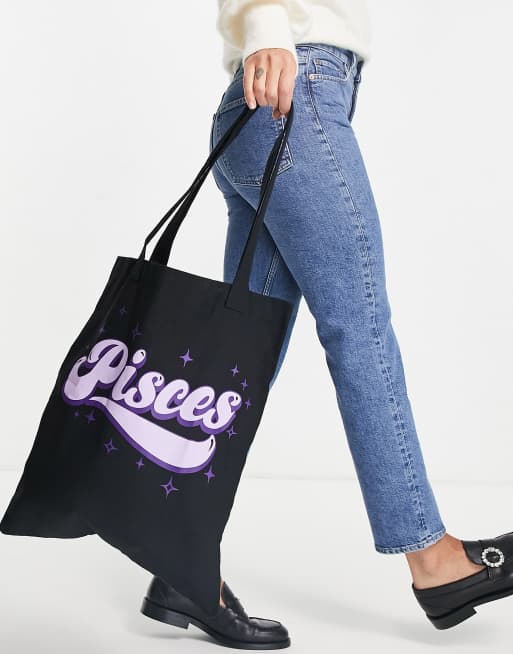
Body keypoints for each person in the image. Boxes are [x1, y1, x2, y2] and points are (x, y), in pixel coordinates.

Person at [139, 1, 513, 648]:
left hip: (275, 101)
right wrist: (265, 28)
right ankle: (434, 562)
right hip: (295, 89)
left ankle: (180, 560)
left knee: (243, 355)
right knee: (359, 325)